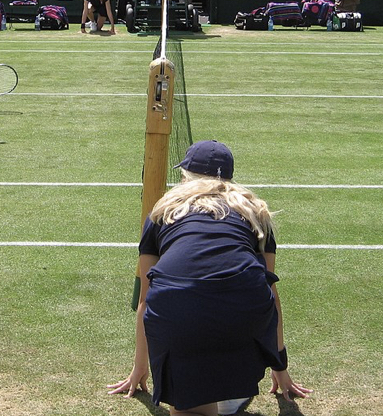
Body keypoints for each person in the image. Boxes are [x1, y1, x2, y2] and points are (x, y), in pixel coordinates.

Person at [108, 140, 311, 415]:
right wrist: (280, 366)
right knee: (225, 393)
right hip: (244, 304)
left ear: (185, 176)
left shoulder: (161, 211)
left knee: (193, 408)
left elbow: (145, 300)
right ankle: (226, 389)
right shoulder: (255, 212)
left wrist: (140, 368)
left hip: (175, 304)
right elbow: (270, 294)